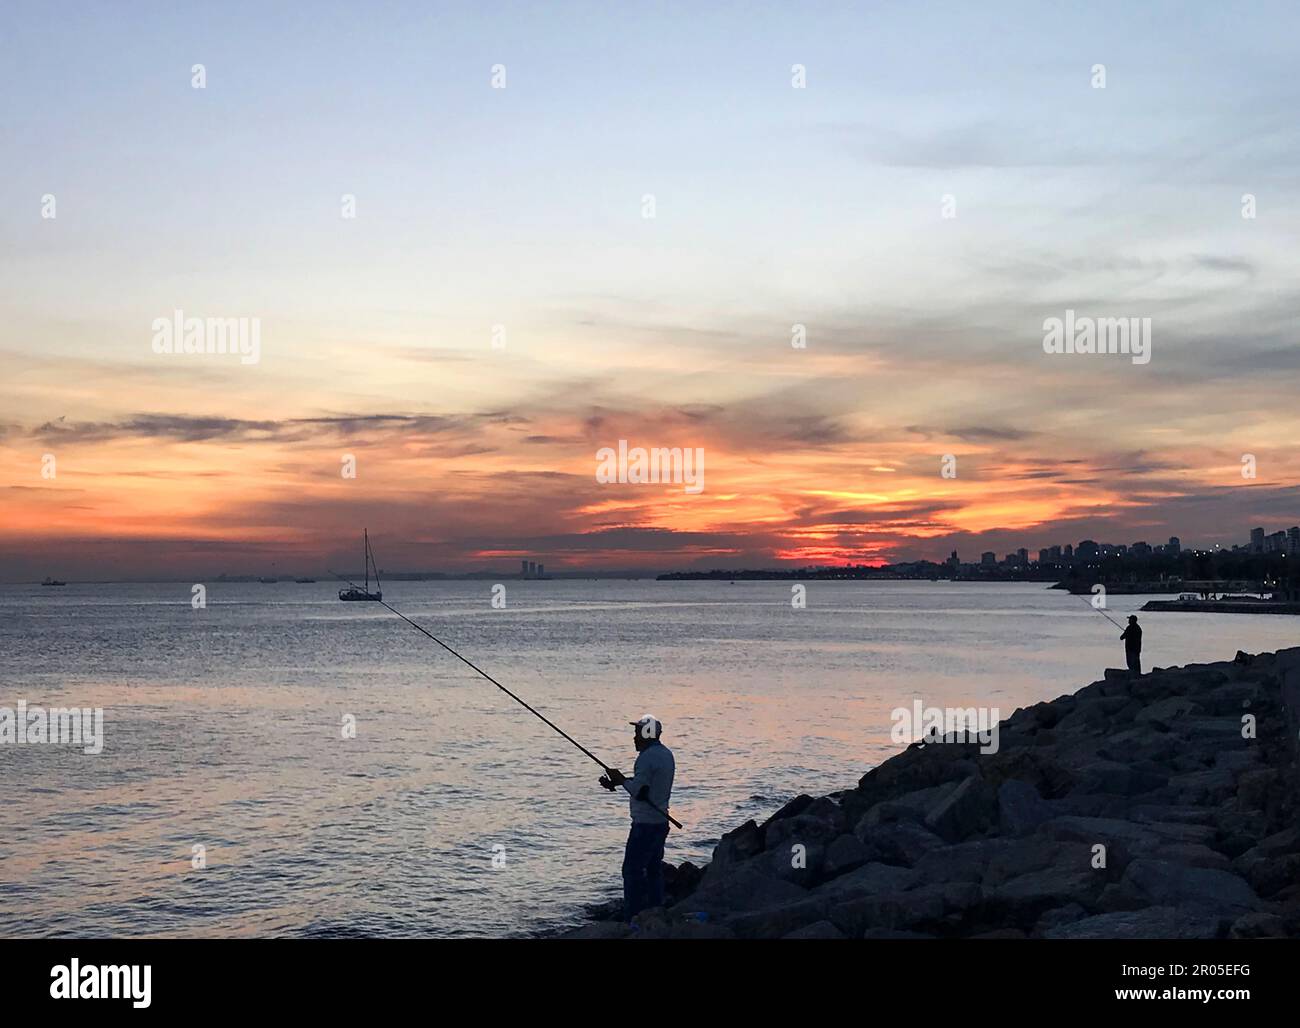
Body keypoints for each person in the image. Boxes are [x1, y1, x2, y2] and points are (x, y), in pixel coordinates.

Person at [599, 714, 675, 921]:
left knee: (632, 871)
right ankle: (656, 912)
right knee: (653, 870)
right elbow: (646, 783)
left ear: (648, 735)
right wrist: (618, 783)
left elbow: (641, 792)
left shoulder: (645, 758)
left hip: (645, 825)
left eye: (637, 733)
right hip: (661, 822)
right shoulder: (665, 754)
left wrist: (621, 780)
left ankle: (632, 918)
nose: (634, 738)